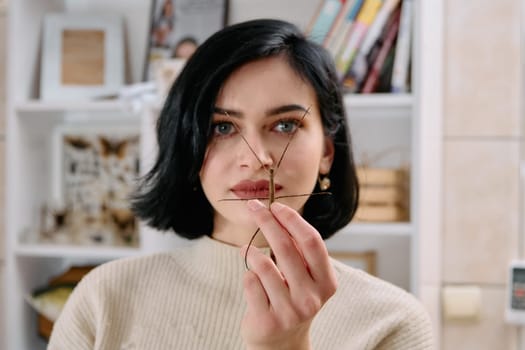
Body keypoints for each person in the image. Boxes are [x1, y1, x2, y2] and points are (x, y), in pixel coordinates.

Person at [48, 19, 433, 349]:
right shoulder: (104, 299)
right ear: (190, 145)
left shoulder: (391, 323)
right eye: (223, 127)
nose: (257, 158)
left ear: (327, 153)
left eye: (285, 126)